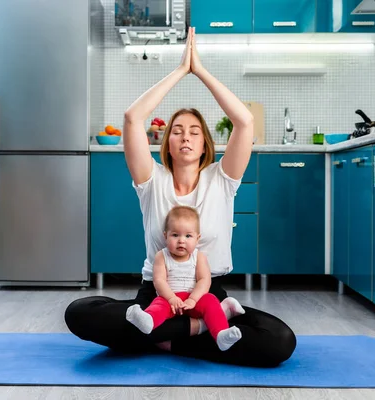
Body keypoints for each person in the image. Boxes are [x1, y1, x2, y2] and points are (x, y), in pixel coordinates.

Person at [65, 26, 297, 367]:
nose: (185, 137)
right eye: (177, 131)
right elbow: (132, 119)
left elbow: (244, 122)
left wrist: (199, 71)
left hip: (208, 295)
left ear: (205, 144)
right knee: (79, 312)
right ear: (167, 143)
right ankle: (198, 332)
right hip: (157, 295)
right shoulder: (151, 180)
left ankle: (159, 339)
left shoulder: (222, 179)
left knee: (280, 340)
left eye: (194, 132)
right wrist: (178, 71)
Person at [126, 205, 246, 351]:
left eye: (188, 236)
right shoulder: (161, 256)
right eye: (175, 235)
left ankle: (221, 334)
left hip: (193, 300)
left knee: (210, 300)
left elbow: (204, 280)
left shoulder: (199, 257)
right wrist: (171, 298)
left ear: (197, 238)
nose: (181, 241)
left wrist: (193, 299)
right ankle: (148, 320)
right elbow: (159, 281)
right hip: (170, 300)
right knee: (158, 303)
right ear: (165, 236)